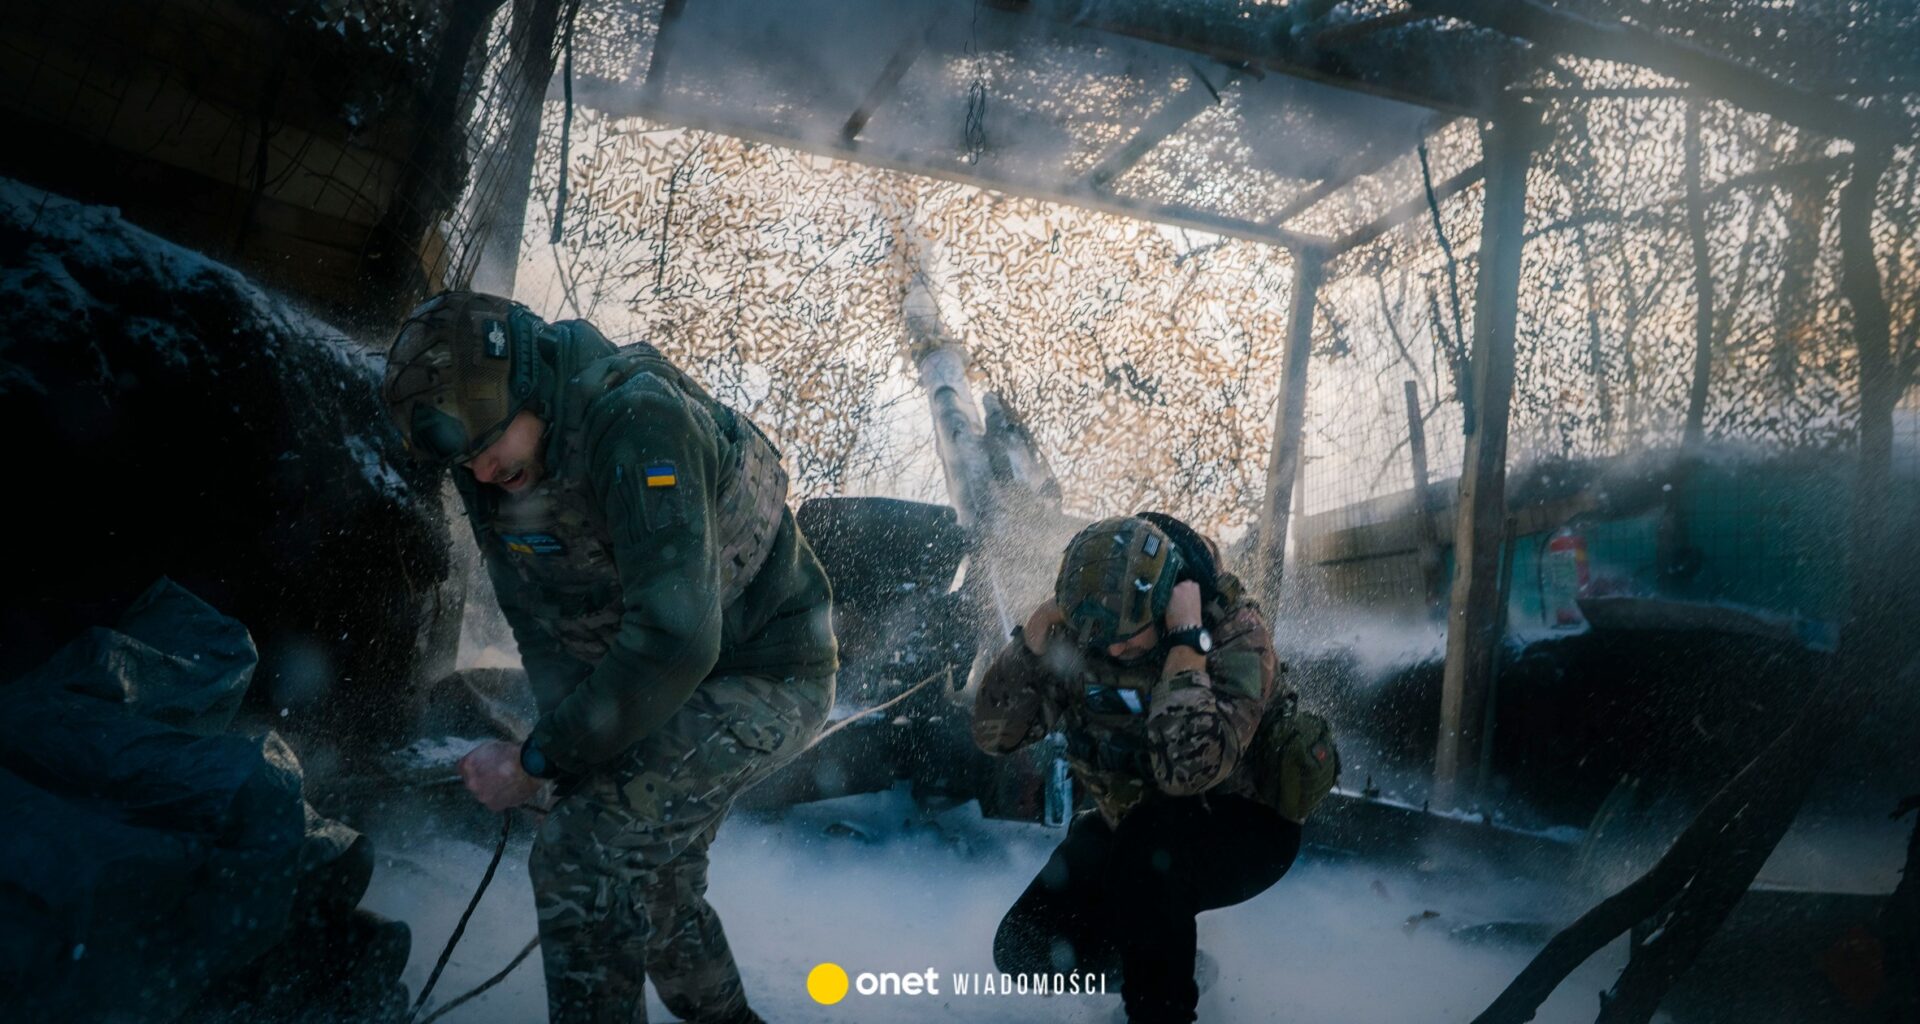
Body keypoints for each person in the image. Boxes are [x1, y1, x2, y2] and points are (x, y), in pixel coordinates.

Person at [383, 291, 837, 1024]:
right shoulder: (490, 463)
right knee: (653, 877)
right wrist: (565, 758)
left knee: (581, 853)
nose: (483, 472)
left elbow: (677, 639)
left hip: (765, 674)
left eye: (488, 444)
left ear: (527, 382)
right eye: (465, 459)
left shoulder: (638, 420)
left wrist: (540, 760)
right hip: (656, 681)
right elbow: (539, 623)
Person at [973, 513, 1306, 1024]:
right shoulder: (1090, 628)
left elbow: (1187, 774)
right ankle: (1171, 967)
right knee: (1024, 947)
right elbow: (996, 736)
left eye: (1130, 637)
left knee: (1147, 856)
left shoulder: (1235, 633)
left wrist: (1185, 648)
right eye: (1104, 639)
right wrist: (1031, 643)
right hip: (1133, 820)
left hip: (1244, 828)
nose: (1114, 649)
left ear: (1167, 603)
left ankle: (1161, 1010)